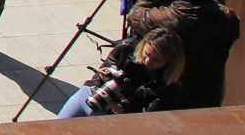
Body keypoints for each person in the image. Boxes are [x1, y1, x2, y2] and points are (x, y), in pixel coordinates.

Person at [125, 0, 243, 110]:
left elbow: (134, 14)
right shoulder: (227, 17)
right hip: (210, 95)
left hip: (173, 98)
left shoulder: (169, 19)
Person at [54, 29, 186, 119]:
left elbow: (148, 117)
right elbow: (100, 76)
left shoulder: (168, 87)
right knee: (54, 133)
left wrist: (122, 108)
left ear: (170, 62)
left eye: (156, 60)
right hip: (90, 95)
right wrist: (103, 77)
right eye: (146, 54)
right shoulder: (126, 50)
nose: (148, 61)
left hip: (117, 118)